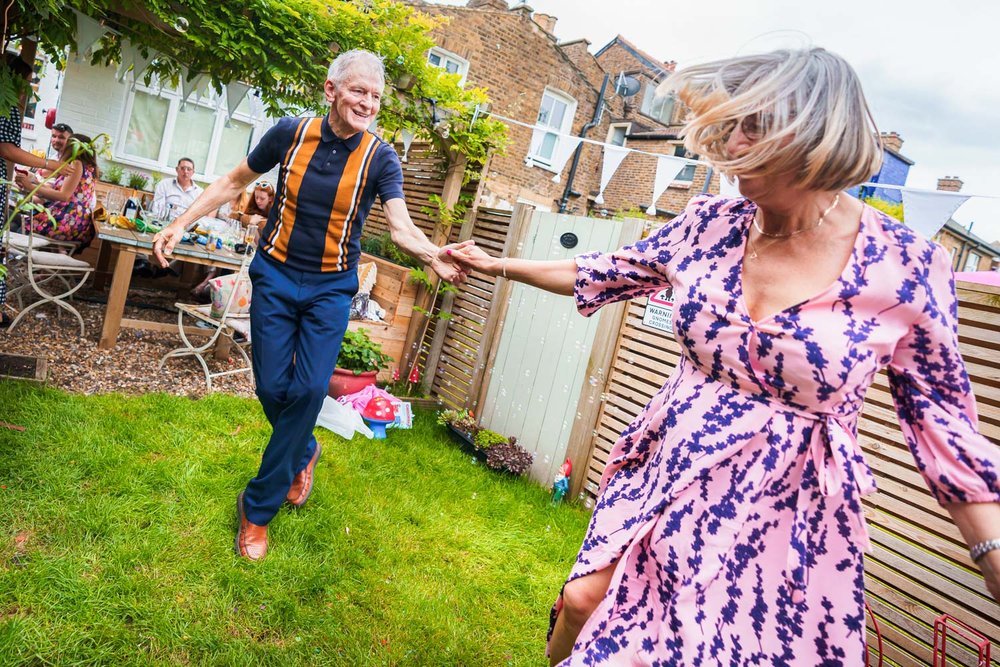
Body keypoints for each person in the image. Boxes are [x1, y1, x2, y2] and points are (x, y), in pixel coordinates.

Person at [452, 47, 1000, 665]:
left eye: (753, 126)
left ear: (815, 136)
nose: (730, 142)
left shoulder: (907, 266)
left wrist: (990, 554)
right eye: (728, 124)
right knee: (583, 602)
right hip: (673, 460)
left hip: (783, 509)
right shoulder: (709, 222)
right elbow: (601, 269)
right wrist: (495, 262)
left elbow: (945, 427)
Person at [152, 49, 471, 561]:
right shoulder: (290, 133)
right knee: (272, 386)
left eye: (376, 96)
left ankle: (257, 510)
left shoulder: (380, 157)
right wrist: (178, 222)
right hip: (275, 276)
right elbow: (234, 182)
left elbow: (399, 225)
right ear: (331, 90)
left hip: (330, 288)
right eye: (359, 91)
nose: (368, 103)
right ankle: (304, 449)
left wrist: (433, 253)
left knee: (307, 389)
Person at [0, 53, 65, 327]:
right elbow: (5, 148)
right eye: (26, 82)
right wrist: (49, 163)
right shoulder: (9, 105)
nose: (29, 89)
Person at [17, 132, 99, 247]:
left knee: (22, 227)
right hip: (78, 222)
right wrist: (35, 182)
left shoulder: (76, 164)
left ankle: (16, 259)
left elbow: (64, 195)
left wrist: (30, 187)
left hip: (68, 220)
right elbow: (65, 192)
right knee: (19, 221)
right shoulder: (90, 168)